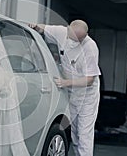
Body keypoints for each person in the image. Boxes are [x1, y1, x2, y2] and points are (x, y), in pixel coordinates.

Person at [29, 20, 101, 156]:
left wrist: (65, 83)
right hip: (70, 92)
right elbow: (42, 29)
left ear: (85, 36)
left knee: (84, 133)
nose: (75, 43)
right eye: (73, 39)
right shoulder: (61, 32)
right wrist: (35, 26)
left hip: (87, 96)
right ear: (68, 29)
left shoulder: (90, 47)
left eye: (80, 40)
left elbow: (90, 79)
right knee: (73, 133)